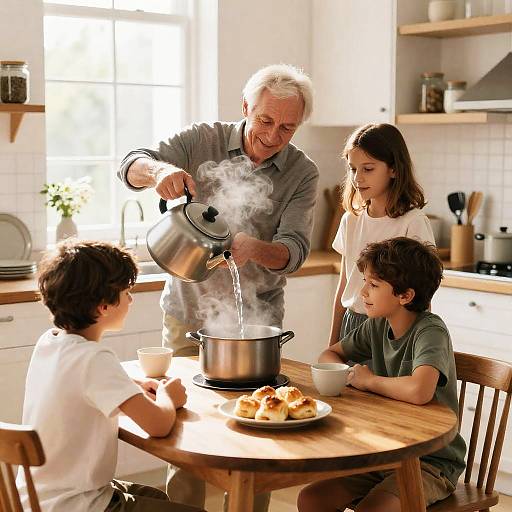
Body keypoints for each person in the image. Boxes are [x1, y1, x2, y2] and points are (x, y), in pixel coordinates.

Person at [117, 63, 318, 511]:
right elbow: (130, 164)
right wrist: (160, 172)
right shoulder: (201, 139)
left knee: (258, 438)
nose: (273, 135)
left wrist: (256, 249)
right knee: (183, 432)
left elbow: (296, 250)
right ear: (246, 106)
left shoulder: (302, 172)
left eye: (288, 126)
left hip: (257, 325)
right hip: (187, 313)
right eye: (265, 120)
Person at [17, 240, 204, 512]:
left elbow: (80, 388)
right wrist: (167, 396)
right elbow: (159, 425)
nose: (131, 299)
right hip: (78, 504)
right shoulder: (95, 359)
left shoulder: (50, 342)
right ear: (103, 306)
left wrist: (134, 386)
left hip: (37, 499)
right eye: (127, 292)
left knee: (160, 499)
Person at [297, 237, 466, 512]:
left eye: (373, 285)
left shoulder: (430, 331)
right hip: (384, 454)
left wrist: (370, 381)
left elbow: (419, 391)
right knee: (311, 500)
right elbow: (330, 355)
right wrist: (348, 375)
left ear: (405, 296)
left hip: (430, 462)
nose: (363, 292)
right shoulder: (377, 326)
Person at [328, 123, 435, 346]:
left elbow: (422, 298)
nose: (357, 178)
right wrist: (332, 343)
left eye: (368, 169)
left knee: (383, 383)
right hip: (353, 326)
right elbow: (344, 287)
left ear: (394, 169)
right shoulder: (351, 220)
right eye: (352, 169)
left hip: (395, 331)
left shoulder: (412, 223)